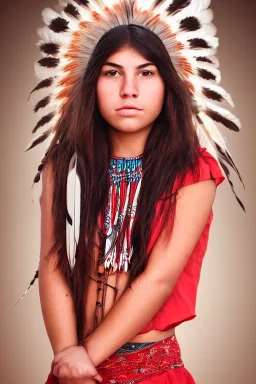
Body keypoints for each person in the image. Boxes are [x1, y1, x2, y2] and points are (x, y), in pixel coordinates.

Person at [20, 1, 245, 383]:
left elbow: (158, 279)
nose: (129, 89)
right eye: (112, 73)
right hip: (73, 369)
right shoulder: (65, 165)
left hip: (150, 369)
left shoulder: (194, 172)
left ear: (167, 85)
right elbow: (52, 263)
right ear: (92, 82)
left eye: (146, 73)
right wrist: (66, 358)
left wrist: (83, 358)